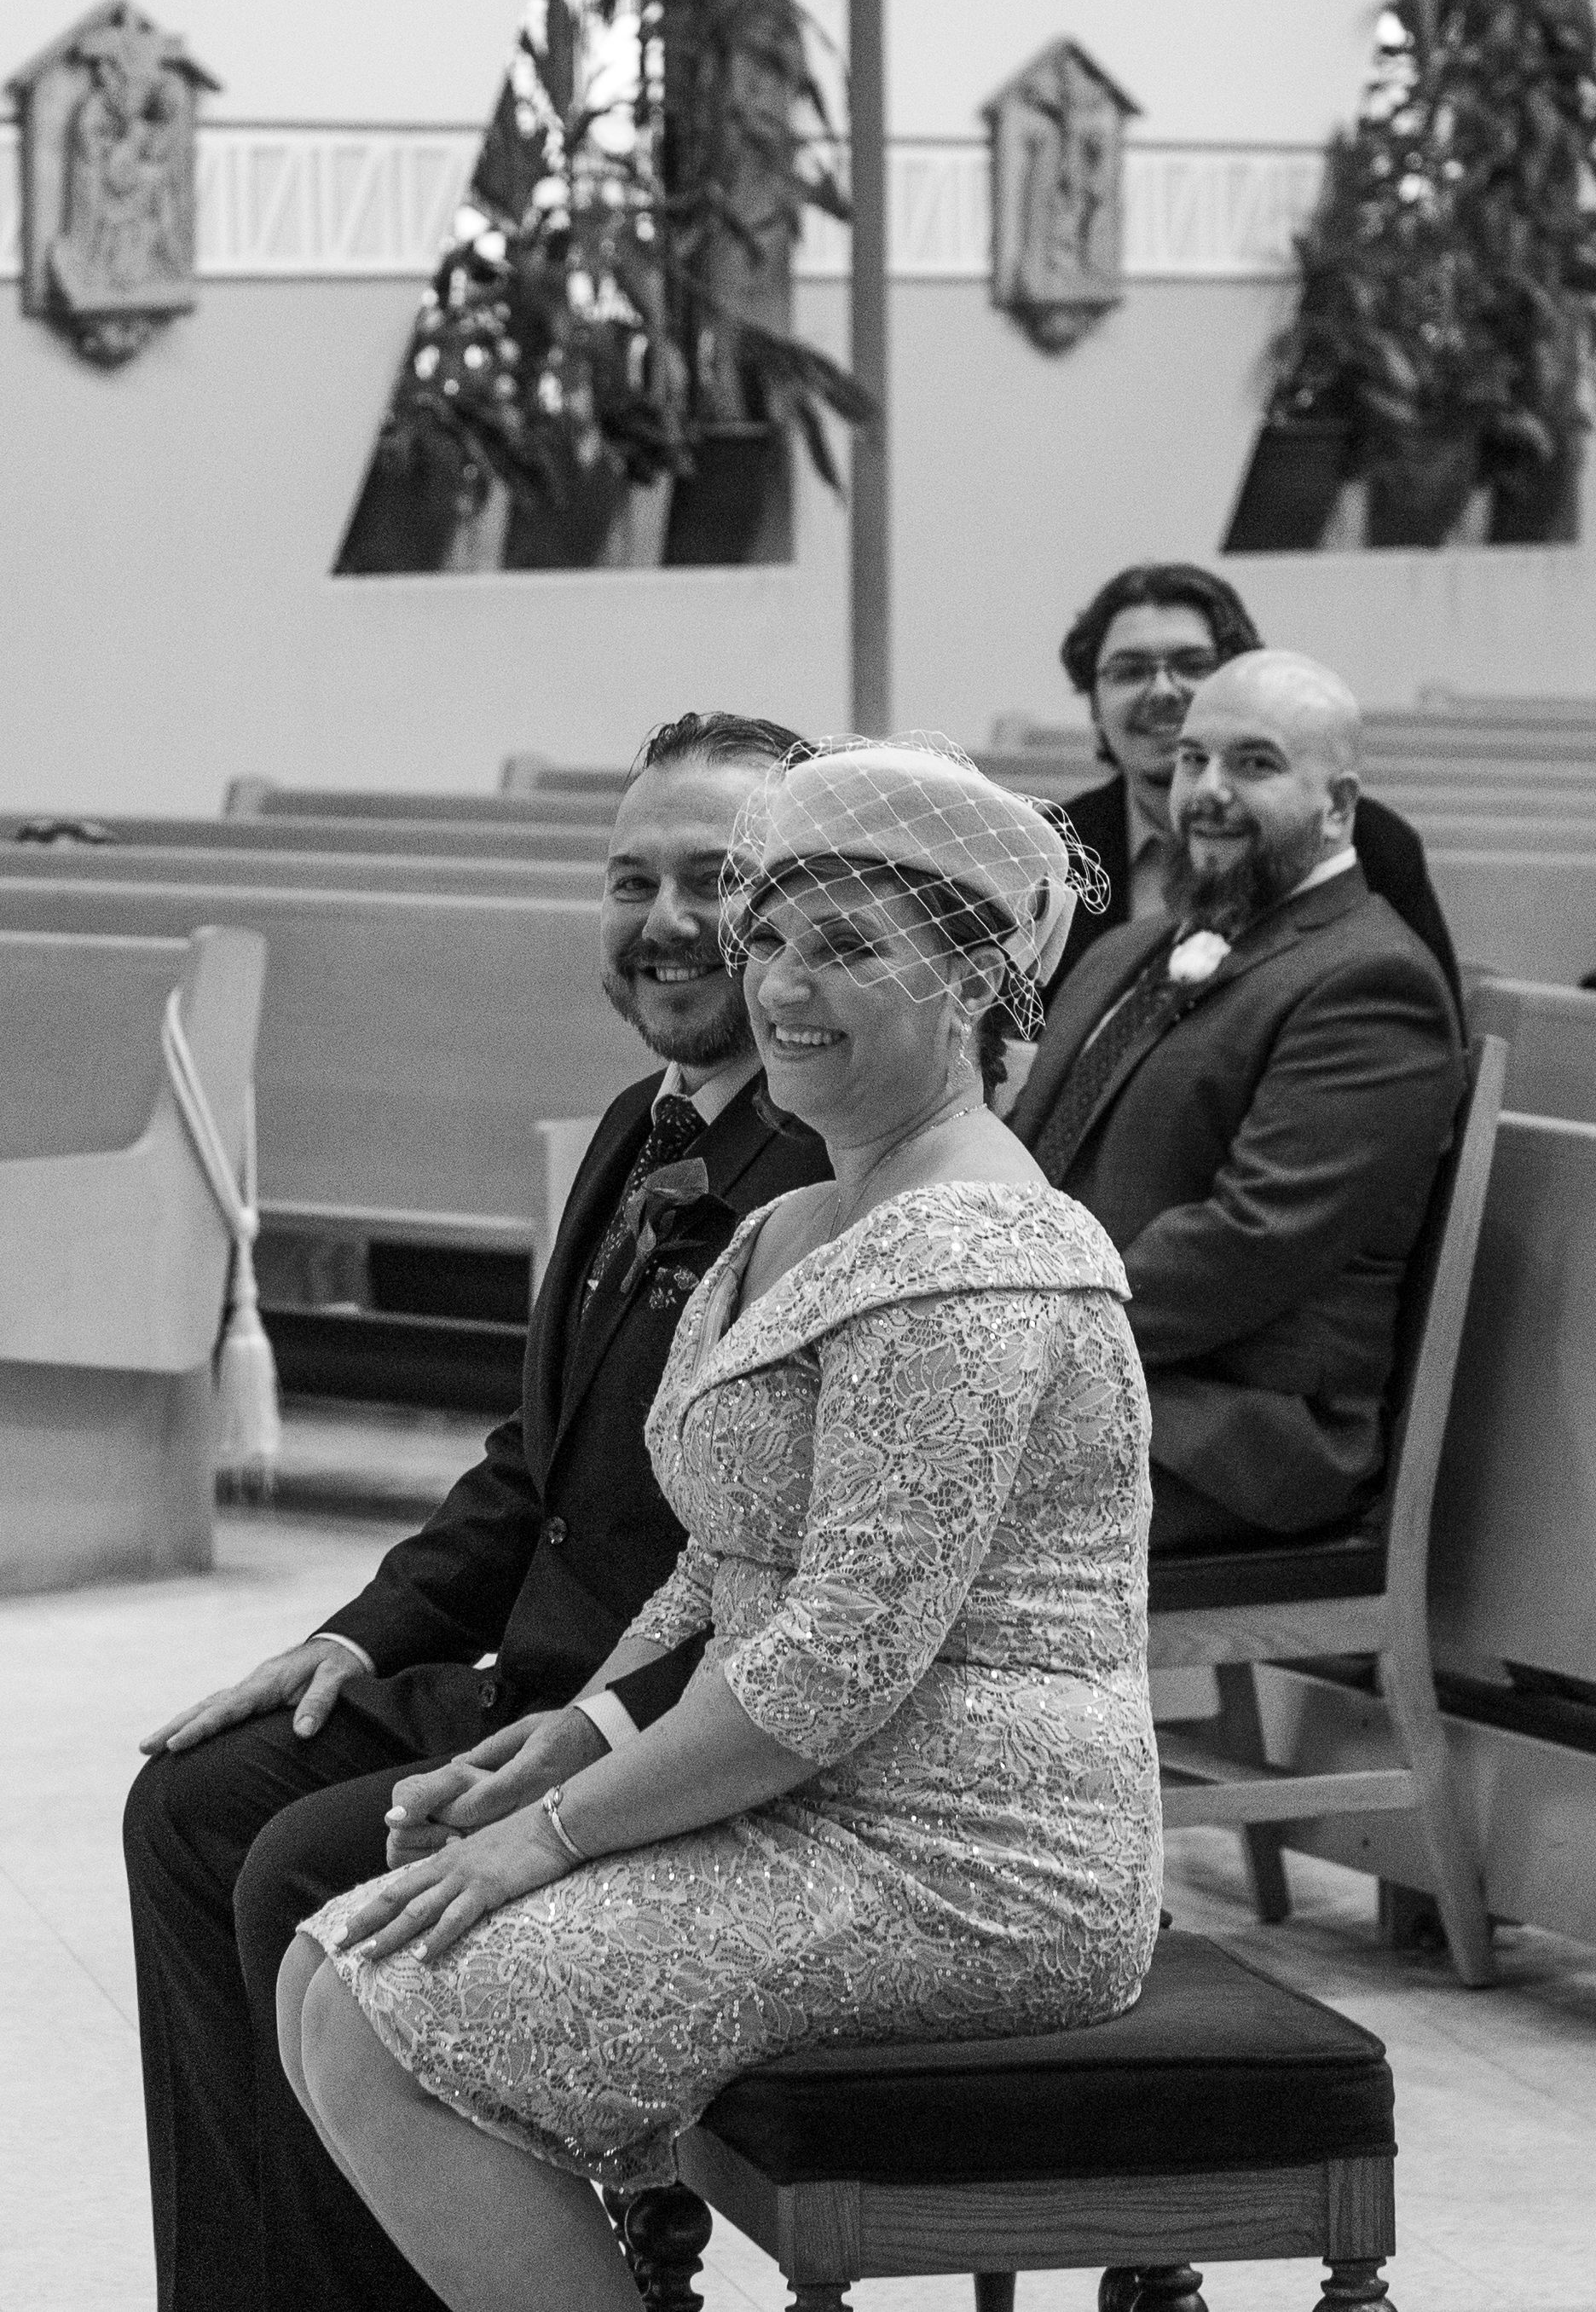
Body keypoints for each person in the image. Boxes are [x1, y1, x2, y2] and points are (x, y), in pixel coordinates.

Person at [274, 737, 1162, 2312]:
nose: (779, 982)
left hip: (976, 1852)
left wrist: (545, 1840)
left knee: (376, 2000)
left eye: (846, 948)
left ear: (969, 986)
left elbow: (836, 1659)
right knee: (330, 1961)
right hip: (832, 1799)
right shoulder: (796, 1214)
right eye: (768, 937)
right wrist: (581, 1732)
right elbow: (723, 1547)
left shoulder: (975, 1250)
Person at [122, 711, 833, 2312]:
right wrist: (349, 1635)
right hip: (528, 1683)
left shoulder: (820, 1183)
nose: (664, 922)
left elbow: (798, 1582)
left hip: (659, 1728)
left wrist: (587, 1731)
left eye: (712, 881)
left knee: (308, 1863)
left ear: (799, 914)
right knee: (192, 1802)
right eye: (628, 878)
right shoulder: (628, 1132)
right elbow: (530, 1464)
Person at [1011, 652, 1467, 1552]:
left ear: (1338, 805)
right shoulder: (1128, 950)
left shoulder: (1369, 982)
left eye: (1254, 764)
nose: (1208, 791)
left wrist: (1011, 1344)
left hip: (1235, 1432)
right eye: (1192, 761)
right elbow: (1024, 1169)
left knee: (904, 1477)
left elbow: (1250, 1241)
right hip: (1097, 1380)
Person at [1044, 562, 1463, 1014]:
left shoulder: (1367, 841)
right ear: (1094, 704)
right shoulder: (1048, 848)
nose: (1162, 691)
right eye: (1129, 671)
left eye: (1193, 665)